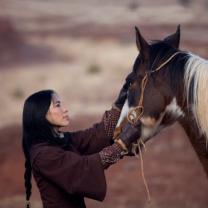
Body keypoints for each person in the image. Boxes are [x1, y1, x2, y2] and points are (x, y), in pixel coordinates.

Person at [22, 74, 141, 208]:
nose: (65, 109)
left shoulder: (62, 140)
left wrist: (120, 101)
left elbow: (97, 135)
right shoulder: (43, 155)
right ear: (41, 113)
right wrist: (122, 144)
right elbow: (83, 167)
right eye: (57, 105)